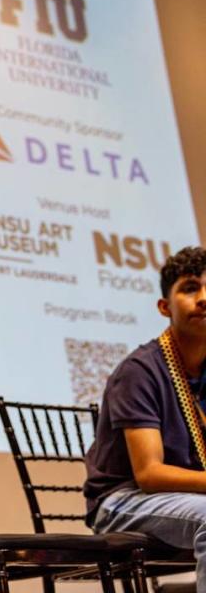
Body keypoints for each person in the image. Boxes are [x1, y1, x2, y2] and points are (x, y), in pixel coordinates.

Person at [85, 246, 206, 591]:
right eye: (189, 288)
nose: (203, 298)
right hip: (123, 499)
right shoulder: (140, 370)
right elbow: (149, 474)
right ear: (164, 307)